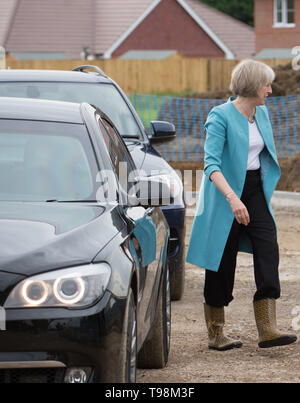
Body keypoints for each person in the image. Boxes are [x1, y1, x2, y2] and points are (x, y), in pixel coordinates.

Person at [186, 59, 297, 350]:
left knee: (268, 246)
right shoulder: (219, 115)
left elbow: (262, 156)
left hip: (254, 189)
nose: (270, 90)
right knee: (222, 260)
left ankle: (267, 328)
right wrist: (233, 198)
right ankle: (216, 332)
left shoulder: (261, 113)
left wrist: (253, 192)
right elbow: (210, 166)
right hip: (224, 193)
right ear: (251, 86)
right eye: (266, 85)